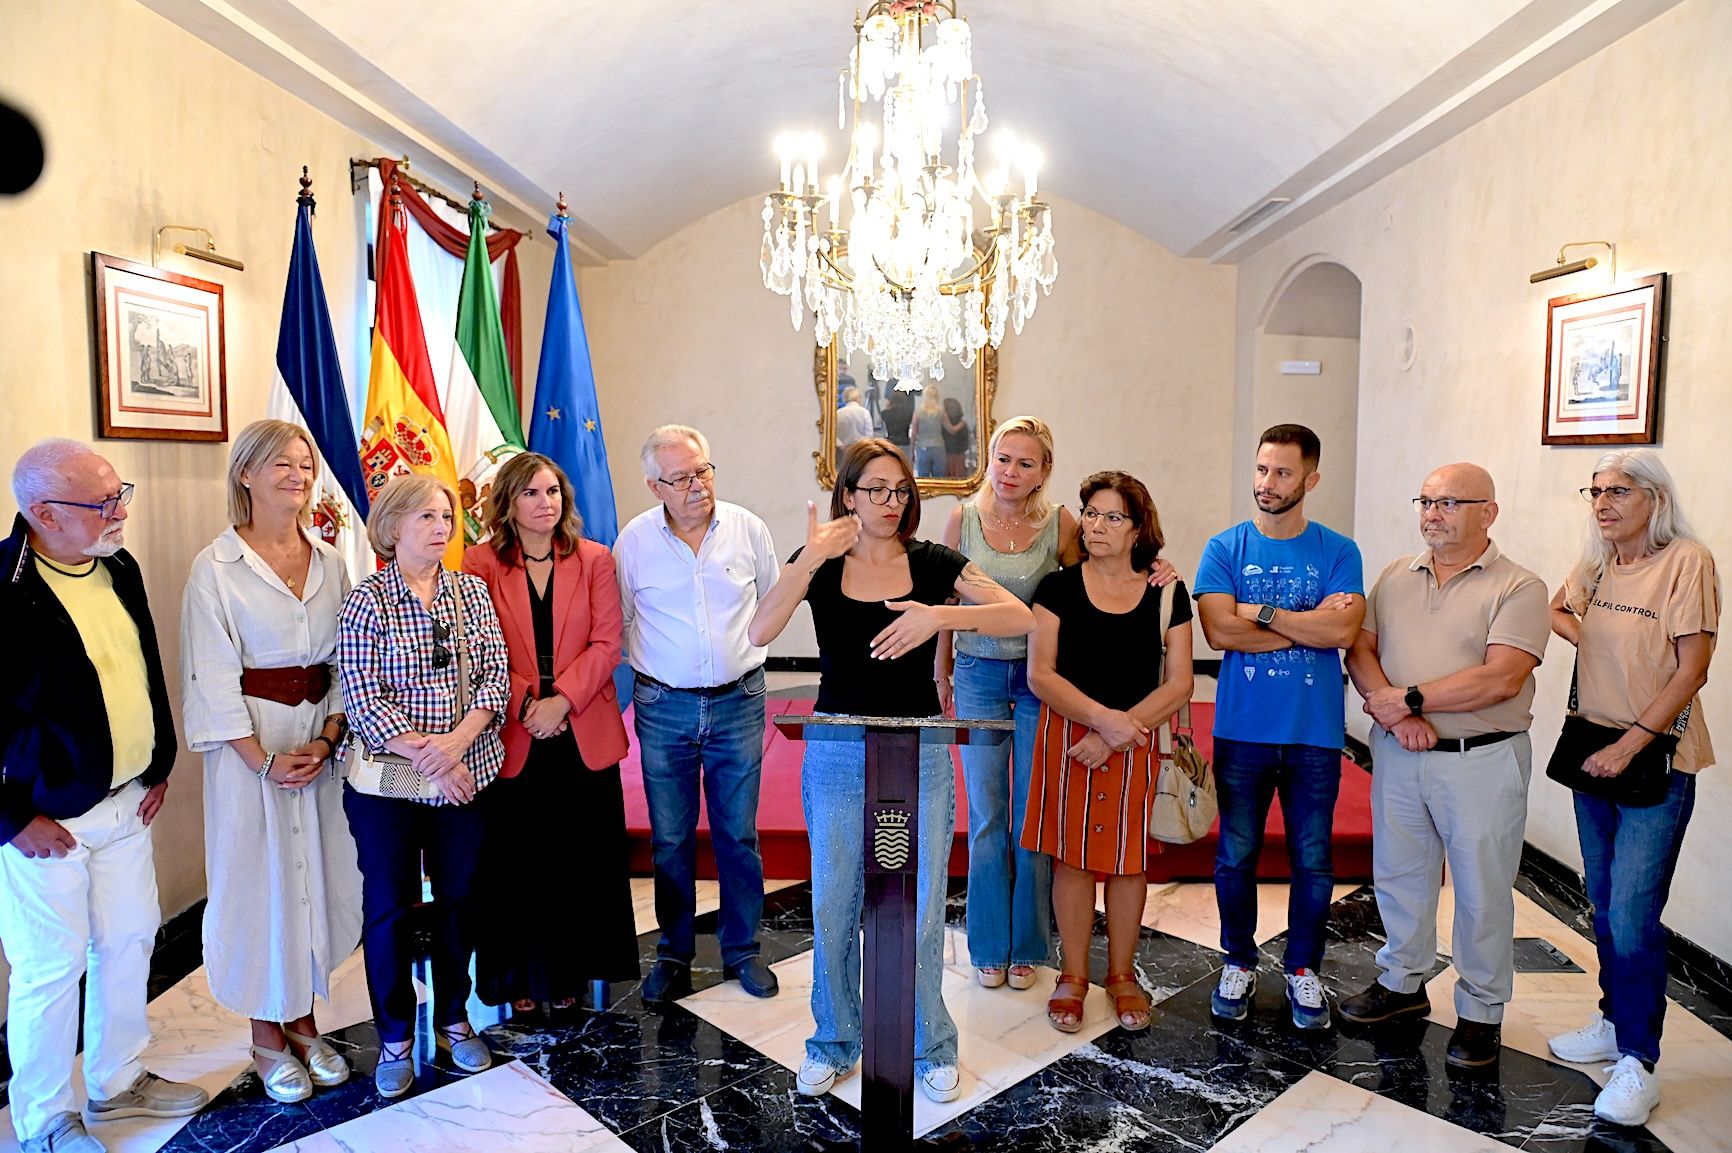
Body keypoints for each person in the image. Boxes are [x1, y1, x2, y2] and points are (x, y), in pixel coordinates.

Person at [748, 438, 1033, 1104]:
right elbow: (761, 629)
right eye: (874, 488)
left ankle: (929, 1041)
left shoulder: (933, 562)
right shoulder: (818, 560)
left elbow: (1016, 615)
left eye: (900, 490)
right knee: (834, 897)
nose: (889, 501)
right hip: (841, 748)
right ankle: (834, 1038)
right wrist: (810, 556)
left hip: (920, 748)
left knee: (922, 903)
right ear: (847, 493)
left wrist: (940, 616)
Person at [0, 440, 209, 1153]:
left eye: (120, 492)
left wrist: (160, 762)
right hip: (45, 819)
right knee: (51, 966)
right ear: (44, 513)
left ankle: (116, 1081)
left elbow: (142, 667)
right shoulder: (5, 588)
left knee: (127, 941)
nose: (120, 512)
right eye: (103, 503)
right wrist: (10, 817)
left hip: (127, 803)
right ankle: (45, 1119)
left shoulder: (118, 566)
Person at [935, 416, 1176, 993]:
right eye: (1002, 458)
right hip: (977, 673)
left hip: (1043, 678)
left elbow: (1096, 580)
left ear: (1045, 471)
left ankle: (1031, 946)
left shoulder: (1063, 524)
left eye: (1026, 462)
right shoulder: (961, 519)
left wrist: (1155, 566)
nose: (1011, 471)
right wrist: (940, 667)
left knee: (1032, 816)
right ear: (987, 460)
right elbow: (943, 597)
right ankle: (989, 943)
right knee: (989, 814)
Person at [1340, 464, 1549, 1068]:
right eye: (1426, 501)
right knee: (1401, 876)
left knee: (1483, 892)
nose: (1433, 513)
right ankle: (1402, 984)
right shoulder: (1395, 576)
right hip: (1403, 755)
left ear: (1489, 512)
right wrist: (1399, 718)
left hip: (1480, 761)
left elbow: (1502, 675)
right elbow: (1363, 648)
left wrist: (1409, 700)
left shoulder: (1519, 587)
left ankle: (1482, 1011)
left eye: (1451, 502)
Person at [180, 421, 363, 1103]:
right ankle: (265, 1035)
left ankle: (306, 1022)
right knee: (259, 886)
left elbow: (348, 656)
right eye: (279, 462)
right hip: (249, 755)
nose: (296, 472)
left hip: (318, 749)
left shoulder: (330, 561)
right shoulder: (216, 567)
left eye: (304, 462)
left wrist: (326, 740)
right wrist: (262, 760)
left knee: (313, 877)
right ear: (246, 475)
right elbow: (211, 675)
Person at [1545, 449, 1717, 1128]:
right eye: (1595, 491)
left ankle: (1638, 1061)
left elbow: (1692, 669)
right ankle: (1616, 1021)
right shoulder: (1599, 561)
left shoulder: (1687, 562)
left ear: (1656, 497)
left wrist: (1629, 743)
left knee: (1633, 912)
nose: (1604, 502)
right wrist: (1589, 635)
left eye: (1619, 490)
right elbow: (1560, 608)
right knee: (1602, 899)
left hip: (1655, 759)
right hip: (1594, 751)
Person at [336, 473, 510, 1098]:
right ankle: (395, 1035)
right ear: (392, 528)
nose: (441, 529)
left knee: (458, 901)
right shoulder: (366, 601)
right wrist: (434, 761)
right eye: (426, 519)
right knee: (389, 909)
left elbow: (496, 679)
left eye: (447, 517)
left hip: (467, 773)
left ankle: (455, 1020)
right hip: (389, 786)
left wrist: (456, 747)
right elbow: (363, 700)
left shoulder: (470, 593)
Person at [1193, 423, 1364, 1030]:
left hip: (1315, 734)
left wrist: (1259, 611)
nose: (1268, 483)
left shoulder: (1338, 551)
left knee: (1313, 860)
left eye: (1283, 472)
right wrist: (1304, 620)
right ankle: (1238, 960)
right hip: (1242, 730)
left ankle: (1301, 969)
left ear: (1310, 479)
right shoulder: (1224, 547)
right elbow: (1218, 631)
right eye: (1262, 470)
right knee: (1235, 855)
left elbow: (1342, 633)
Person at [463, 452, 637, 1012]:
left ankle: (569, 976)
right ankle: (516, 980)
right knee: (514, 862)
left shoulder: (594, 559)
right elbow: (476, 647)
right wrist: (526, 705)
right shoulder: (479, 562)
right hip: (511, 730)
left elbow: (609, 642)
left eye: (553, 492)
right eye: (532, 494)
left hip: (581, 725)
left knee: (579, 859)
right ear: (508, 505)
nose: (546, 504)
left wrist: (561, 701)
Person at [615, 425, 781, 1005]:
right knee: (670, 840)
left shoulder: (747, 529)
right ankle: (673, 953)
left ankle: (743, 951)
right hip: (664, 707)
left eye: (703, 471)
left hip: (740, 700)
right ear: (654, 485)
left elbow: (774, 602)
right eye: (681, 478)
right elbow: (621, 619)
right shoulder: (634, 541)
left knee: (738, 835)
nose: (697, 486)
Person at [1023, 471, 1193, 1033]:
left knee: (1127, 861)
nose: (1096, 525)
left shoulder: (1166, 590)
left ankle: (1121, 974)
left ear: (1138, 527)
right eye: (1090, 513)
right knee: (1071, 857)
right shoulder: (1058, 587)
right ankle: (1072, 973)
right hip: (1069, 738)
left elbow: (1180, 683)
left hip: (1137, 742)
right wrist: (1100, 724)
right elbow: (1040, 674)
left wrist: (1121, 730)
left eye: (1111, 516)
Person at [910, 386, 947, 477]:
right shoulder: (941, 411)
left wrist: (912, 450)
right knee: (939, 480)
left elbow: (914, 432)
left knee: (923, 480)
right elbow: (951, 429)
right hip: (938, 446)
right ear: (937, 397)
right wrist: (962, 424)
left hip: (923, 447)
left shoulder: (918, 412)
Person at [879, 386, 916, 455]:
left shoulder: (885, 413)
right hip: (904, 442)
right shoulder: (909, 413)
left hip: (891, 443)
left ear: (891, 400)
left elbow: (881, 428)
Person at [835, 385, 874, 451]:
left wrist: (842, 446)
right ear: (858, 397)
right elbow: (869, 435)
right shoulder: (865, 412)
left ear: (844, 398)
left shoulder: (838, 413)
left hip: (841, 451)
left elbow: (833, 434)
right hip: (860, 450)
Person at [941, 397, 969, 477]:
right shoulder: (963, 424)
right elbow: (966, 442)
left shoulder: (943, 424)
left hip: (947, 454)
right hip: (960, 454)